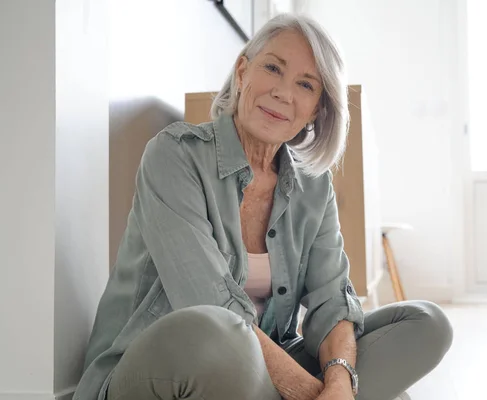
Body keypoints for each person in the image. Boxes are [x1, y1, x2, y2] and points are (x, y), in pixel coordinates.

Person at [74, 13, 452, 400]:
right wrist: (309, 391)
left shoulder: (313, 187)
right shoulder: (174, 156)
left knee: (427, 323)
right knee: (216, 331)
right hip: (164, 370)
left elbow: (332, 300)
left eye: (306, 85)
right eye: (273, 68)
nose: (283, 93)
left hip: (259, 377)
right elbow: (209, 302)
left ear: (317, 111)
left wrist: (339, 384)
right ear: (242, 73)